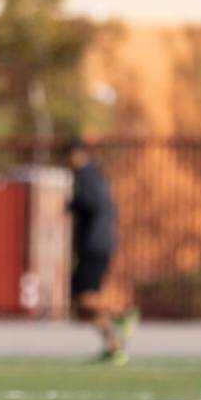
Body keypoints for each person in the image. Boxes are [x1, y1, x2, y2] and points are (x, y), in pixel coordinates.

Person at [62, 138, 139, 365]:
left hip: (94, 245)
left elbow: (91, 204)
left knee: (84, 297)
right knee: (83, 298)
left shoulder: (87, 175)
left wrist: (73, 204)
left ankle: (122, 315)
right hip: (99, 243)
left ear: (75, 154)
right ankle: (114, 348)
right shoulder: (95, 175)